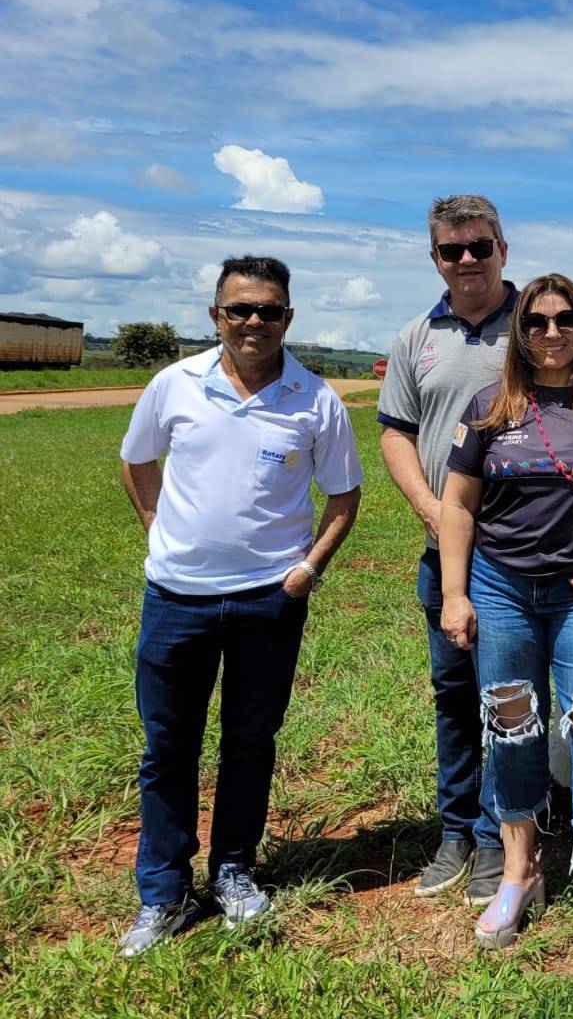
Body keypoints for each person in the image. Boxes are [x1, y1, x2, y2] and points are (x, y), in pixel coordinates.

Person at [116, 256, 362, 956]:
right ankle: (162, 893)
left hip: (267, 602)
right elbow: (137, 460)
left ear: (289, 317)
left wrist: (308, 568)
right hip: (176, 598)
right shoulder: (174, 386)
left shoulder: (316, 400)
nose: (255, 322)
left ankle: (233, 872)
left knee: (250, 743)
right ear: (215, 315)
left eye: (270, 310)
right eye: (240, 310)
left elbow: (344, 497)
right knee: (168, 748)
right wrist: (157, 529)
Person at [437, 274, 573, 954]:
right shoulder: (488, 407)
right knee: (510, 723)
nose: (552, 333)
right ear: (521, 332)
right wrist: (455, 592)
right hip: (501, 589)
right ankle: (520, 870)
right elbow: (458, 505)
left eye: (565, 321)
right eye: (537, 322)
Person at [377, 194, 515, 906]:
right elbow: (396, 431)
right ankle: (457, 830)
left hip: (524, 556)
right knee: (454, 697)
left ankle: (500, 839)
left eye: (479, 247)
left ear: (503, 250)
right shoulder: (414, 338)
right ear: (435, 258)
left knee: (513, 700)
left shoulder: (539, 326)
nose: (467, 261)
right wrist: (434, 510)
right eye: (451, 250)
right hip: (446, 554)